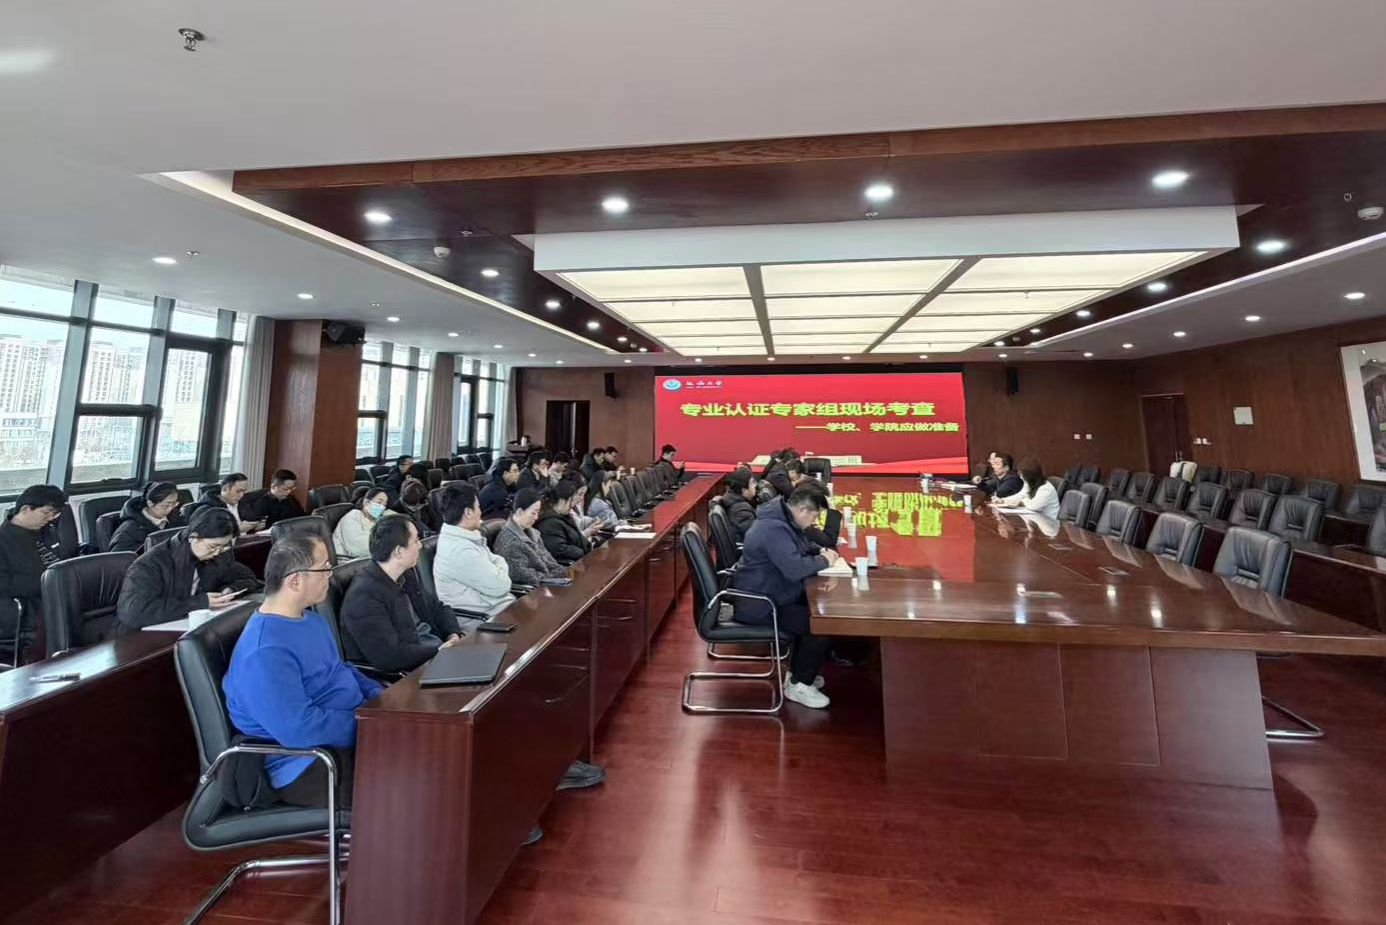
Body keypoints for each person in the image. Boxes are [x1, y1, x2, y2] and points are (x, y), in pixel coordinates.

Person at [223, 532, 383, 809]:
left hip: (352, 730)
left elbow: (340, 670)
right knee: (412, 785)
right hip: (310, 760)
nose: (330, 576)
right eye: (324, 569)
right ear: (295, 580)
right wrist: (370, 724)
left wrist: (381, 698)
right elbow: (302, 729)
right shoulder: (264, 652)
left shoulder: (310, 620)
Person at [730, 484, 841, 709]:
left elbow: (799, 544)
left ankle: (797, 674)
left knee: (812, 610)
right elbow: (794, 569)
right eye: (814, 517)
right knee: (819, 623)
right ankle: (800, 685)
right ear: (802, 510)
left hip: (770, 593)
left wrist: (818, 550)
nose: (814, 522)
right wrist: (824, 560)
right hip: (761, 605)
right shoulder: (774, 529)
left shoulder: (781, 519)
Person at [339, 516, 463, 673]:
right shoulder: (364, 596)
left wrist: (452, 634)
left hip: (436, 655)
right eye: (416, 541)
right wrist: (439, 650)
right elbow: (391, 656)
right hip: (413, 670)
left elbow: (437, 608)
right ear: (399, 552)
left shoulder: (405, 575)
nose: (420, 546)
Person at [114, 506, 259, 633]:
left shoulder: (220, 554)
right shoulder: (150, 564)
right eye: (213, 547)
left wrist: (229, 590)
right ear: (193, 537)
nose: (218, 552)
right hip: (145, 636)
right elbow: (133, 613)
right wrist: (199, 603)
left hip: (196, 629)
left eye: (224, 547)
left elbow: (248, 578)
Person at [0, 484, 68, 659]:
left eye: (54, 514)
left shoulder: (49, 532)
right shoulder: (3, 540)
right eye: (46, 513)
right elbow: (4, 583)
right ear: (25, 509)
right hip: (27, 608)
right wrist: (48, 583)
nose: (50, 519)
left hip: (57, 597)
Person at [433, 482, 516, 618]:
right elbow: (501, 586)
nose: (481, 512)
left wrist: (498, 569)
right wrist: (498, 569)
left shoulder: (466, 537)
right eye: (478, 507)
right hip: (482, 619)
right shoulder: (460, 550)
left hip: (498, 608)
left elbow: (497, 561)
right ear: (468, 512)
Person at [494, 488, 568, 585]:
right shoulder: (509, 543)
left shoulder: (532, 533)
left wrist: (562, 573)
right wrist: (557, 578)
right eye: (533, 513)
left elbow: (550, 561)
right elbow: (525, 577)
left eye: (537, 512)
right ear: (520, 511)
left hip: (553, 581)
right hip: (539, 589)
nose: (536, 517)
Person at [108, 482, 185, 553]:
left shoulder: (177, 520)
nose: (170, 508)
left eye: (174, 504)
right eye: (166, 505)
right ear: (150, 503)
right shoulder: (128, 530)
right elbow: (119, 559)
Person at [536, 482, 596, 565]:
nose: (573, 505)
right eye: (571, 501)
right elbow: (559, 549)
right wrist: (582, 551)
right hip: (570, 564)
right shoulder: (549, 523)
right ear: (562, 501)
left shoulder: (564, 516)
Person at [334, 486, 390, 561]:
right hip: (349, 563)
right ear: (366, 502)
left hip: (369, 559)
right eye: (379, 502)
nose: (382, 507)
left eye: (385, 504)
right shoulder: (352, 516)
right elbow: (359, 547)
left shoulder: (377, 520)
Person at [995, 457, 1061, 518]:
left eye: (1021, 473)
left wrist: (1021, 501)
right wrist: (1003, 500)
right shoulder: (1029, 483)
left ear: (1029, 475)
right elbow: (1020, 495)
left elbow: (1033, 506)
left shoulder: (1046, 489)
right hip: (1034, 518)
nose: (1020, 476)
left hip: (1048, 522)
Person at [716, 468, 759, 541]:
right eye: (752, 483)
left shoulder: (731, 499)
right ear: (744, 489)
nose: (755, 485)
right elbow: (754, 536)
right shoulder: (741, 510)